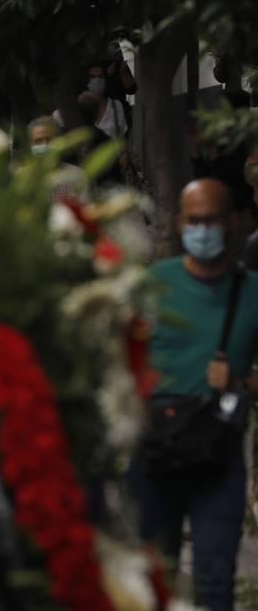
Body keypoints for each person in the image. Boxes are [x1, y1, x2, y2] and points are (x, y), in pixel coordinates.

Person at [134, 179, 258, 611]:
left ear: (233, 223)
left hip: (217, 458)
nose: (203, 230)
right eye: (195, 220)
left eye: (213, 220)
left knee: (214, 580)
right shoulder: (152, 285)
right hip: (155, 454)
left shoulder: (252, 293)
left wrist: (240, 384)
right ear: (180, 223)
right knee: (153, 581)